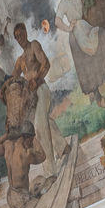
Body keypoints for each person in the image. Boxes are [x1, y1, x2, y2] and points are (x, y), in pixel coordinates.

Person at [10, 21, 68, 171]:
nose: (20, 38)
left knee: (40, 129)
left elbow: (46, 63)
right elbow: (12, 79)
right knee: (45, 121)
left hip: (41, 90)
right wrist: (5, 88)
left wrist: (37, 79)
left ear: (26, 32)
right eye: (17, 37)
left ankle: (50, 170)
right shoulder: (20, 60)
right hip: (31, 97)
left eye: (21, 34)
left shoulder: (34, 46)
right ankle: (62, 147)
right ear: (16, 40)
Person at [56, 0, 105, 101]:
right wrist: (68, 28)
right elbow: (57, 21)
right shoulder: (63, 3)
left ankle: (103, 75)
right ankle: (95, 92)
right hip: (76, 35)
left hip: (84, 27)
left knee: (101, 34)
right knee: (86, 62)